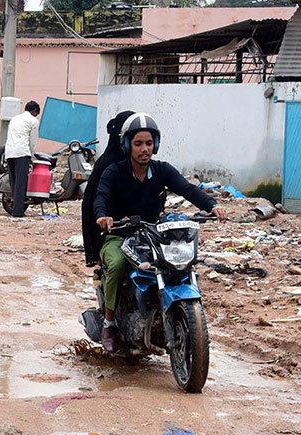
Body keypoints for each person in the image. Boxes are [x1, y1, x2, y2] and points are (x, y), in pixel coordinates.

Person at [92, 113, 227, 353]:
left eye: (149, 143)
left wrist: (212, 205)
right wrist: (103, 216)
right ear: (126, 145)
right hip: (119, 235)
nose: (145, 149)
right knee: (119, 265)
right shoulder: (114, 171)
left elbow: (187, 189)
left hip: (153, 234)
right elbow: (100, 195)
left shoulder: (162, 170)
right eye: (138, 144)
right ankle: (109, 323)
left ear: (156, 144)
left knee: (179, 265)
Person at [80, 109, 134, 269]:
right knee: (117, 268)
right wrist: (93, 250)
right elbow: (92, 204)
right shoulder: (107, 165)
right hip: (112, 233)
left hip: (140, 232)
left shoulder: (145, 166)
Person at [3, 100, 41, 218]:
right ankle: (18, 212)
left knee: (14, 182)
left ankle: (15, 207)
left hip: (9, 152)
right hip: (22, 152)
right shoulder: (33, 120)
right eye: (36, 113)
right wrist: (31, 155)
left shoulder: (14, 118)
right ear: (34, 111)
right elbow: (32, 141)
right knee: (21, 183)